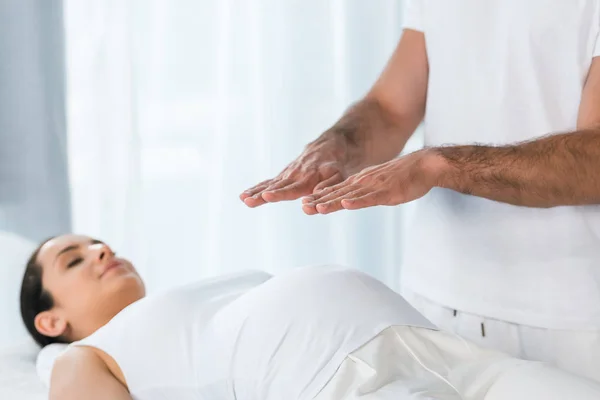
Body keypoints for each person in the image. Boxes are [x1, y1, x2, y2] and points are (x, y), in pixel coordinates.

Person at [240, 0, 600, 381]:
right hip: (432, 303)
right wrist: (337, 147)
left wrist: (441, 165)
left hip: (571, 321)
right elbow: (390, 107)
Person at [19, 235, 600, 399]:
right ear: (51, 321)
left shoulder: (187, 303)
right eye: (75, 259)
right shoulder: (75, 360)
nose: (100, 251)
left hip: (448, 355)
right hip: (351, 385)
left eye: (99, 244)